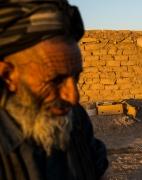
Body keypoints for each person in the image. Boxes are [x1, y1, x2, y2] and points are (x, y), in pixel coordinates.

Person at [0, 1, 108, 180]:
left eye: (76, 77)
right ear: (7, 76)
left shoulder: (76, 119)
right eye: (56, 81)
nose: (73, 98)